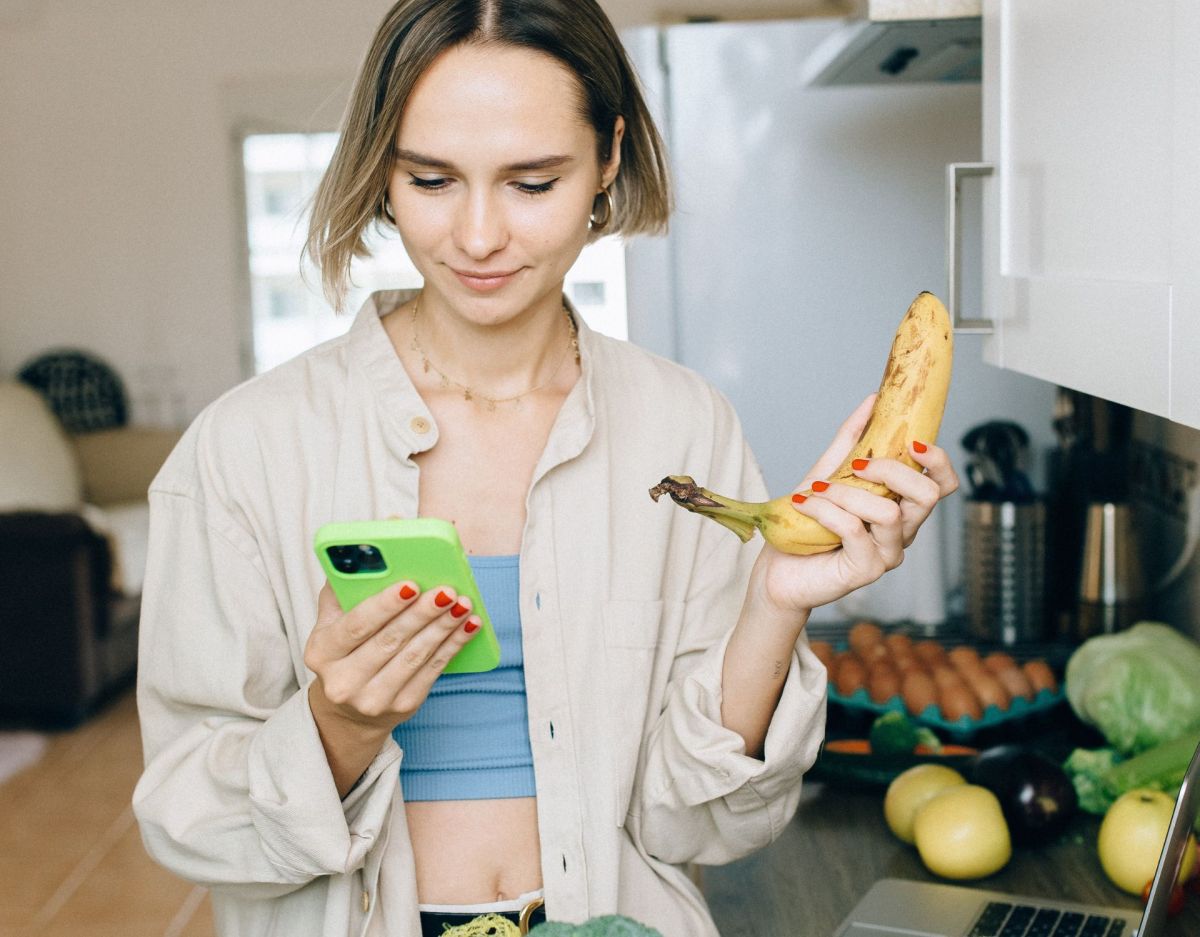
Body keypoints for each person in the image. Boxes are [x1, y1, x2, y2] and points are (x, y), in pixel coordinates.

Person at [131, 1, 959, 935]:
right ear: (381, 168)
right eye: (432, 179)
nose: (479, 236)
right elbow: (184, 815)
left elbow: (702, 819)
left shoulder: (682, 425)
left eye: (532, 182)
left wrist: (779, 600)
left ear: (608, 159)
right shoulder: (247, 447)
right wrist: (340, 727)